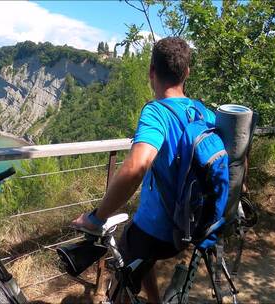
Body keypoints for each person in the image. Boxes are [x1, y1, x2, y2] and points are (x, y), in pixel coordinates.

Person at [71, 37, 218, 302]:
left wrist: (96, 217)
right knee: (140, 254)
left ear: (151, 71)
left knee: (125, 266)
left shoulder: (156, 113)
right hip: (192, 225)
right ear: (187, 72)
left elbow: (137, 166)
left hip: (158, 230)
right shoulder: (203, 113)